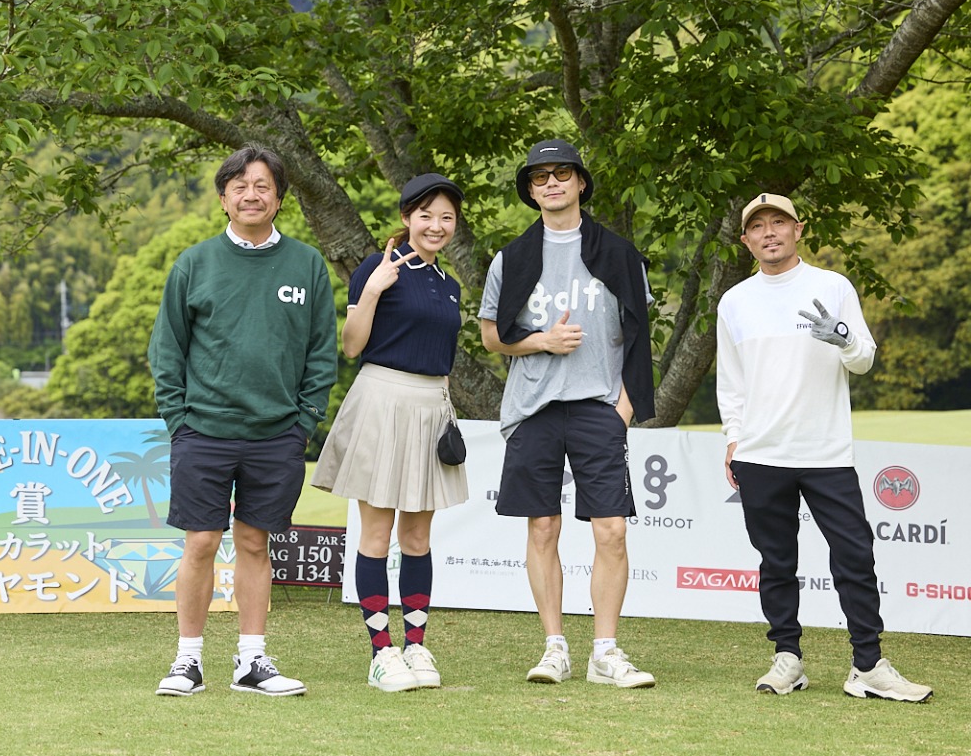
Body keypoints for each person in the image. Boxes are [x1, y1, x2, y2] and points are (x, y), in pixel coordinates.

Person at [716, 192, 933, 702]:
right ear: (746, 240)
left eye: (780, 222)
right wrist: (733, 438)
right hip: (761, 454)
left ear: (798, 230)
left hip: (826, 452)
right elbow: (732, 382)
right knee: (776, 562)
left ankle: (868, 665)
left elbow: (864, 360)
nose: (770, 232)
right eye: (758, 226)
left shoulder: (832, 287)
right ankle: (787, 658)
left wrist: (843, 338)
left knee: (855, 556)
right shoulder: (734, 301)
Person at [147, 144, 338, 698]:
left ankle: (251, 660)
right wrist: (179, 420)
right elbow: (167, 350)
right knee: (201, 543)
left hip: (277, 434)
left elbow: (321, 351)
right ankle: (187, 661)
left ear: (279, 197)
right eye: (240, 186)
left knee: (255, 544)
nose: (251, 195)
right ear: (224, 197)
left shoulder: (306, 264)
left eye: (262, 186)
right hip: (202, 431)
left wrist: (303, 422)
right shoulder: (195, 263)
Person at [478, 139, 657, 688]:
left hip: (599, 407)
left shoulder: (619, 253)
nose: (551, 183)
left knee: (612, 531)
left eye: (562, 173)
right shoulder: (511, 258)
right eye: (540, 177)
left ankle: (606, 652)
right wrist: (541, 342)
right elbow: (491, 337)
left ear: (581, 182)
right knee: (542, 528)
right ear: (530, 191)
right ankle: (554, 647)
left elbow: (638, 335)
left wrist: (623, 408)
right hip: (534, 409)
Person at [312, 173, 470, 692]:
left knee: (418, 538)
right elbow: (351, 344)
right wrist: (374, 290)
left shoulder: (450, 284)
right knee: (377, 536)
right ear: (406, 218)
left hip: (430, 407)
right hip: (383, 400)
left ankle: (416, 646)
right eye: (426, 215)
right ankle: (381, 652)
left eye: (446, 217)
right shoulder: (378, 268)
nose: (436, 225)